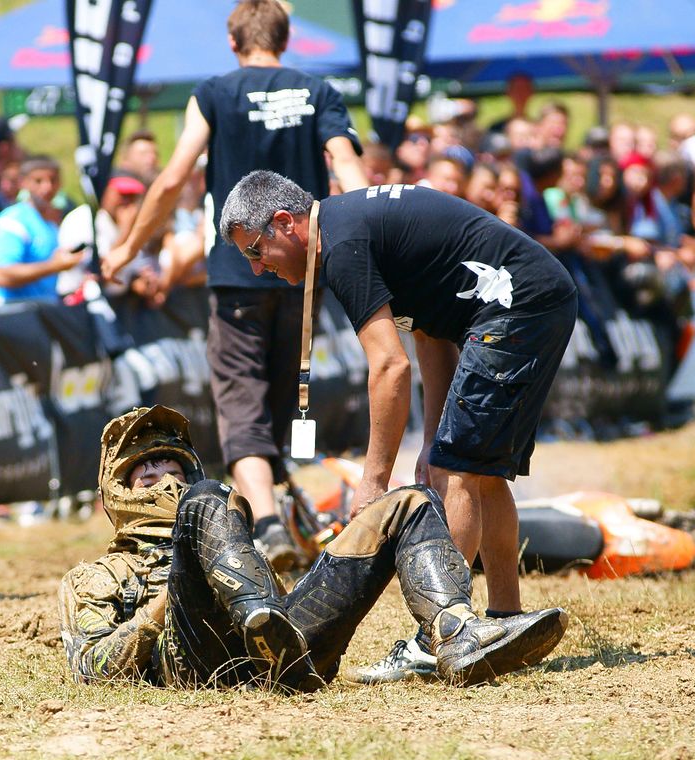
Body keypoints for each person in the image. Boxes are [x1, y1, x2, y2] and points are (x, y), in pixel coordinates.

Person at [219, 170, 577, 682]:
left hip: (516, 306)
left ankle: (445, 635)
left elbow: (389, 367)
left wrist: (373, 480)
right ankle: (504, 619)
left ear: (285, 223)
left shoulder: (340, 245)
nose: (256, 269)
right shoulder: (347, 230)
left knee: (458, 471)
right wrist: (431, 440)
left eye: (256, 251)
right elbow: (430, 335)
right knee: (472, 468)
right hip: (527, 301)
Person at [101, 0, 367, 572]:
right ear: (286, 37)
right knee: (285, 392)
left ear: (232, 39)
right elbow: (347, 165)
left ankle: (269, 524)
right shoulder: (316, 90)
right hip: (303, 267)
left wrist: (126, 248)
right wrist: (365, 236)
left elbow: (174, 176)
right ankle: (281, 505)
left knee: (242, 395)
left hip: (238, 271)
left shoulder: (215, 92)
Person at [58, 405, 568, 690]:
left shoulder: (218, 519)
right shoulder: (95, 575)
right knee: (210, 498)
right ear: (117, 493)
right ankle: (265, 628)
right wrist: (162, 602)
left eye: (173, 469)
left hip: (288, 642)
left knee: (410, 501)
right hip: (198, 661)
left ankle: (456, 637)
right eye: (147, 474)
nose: (164, 481)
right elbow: (91, 668)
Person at [0, 155, 84, 306]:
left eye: (53, 180)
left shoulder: (50, 224)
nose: (47, 187)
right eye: (38, 181)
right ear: (23, 183)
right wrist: (55, 266)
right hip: (12, 314)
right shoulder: (13, 220)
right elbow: (2, 275)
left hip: (42, 313)